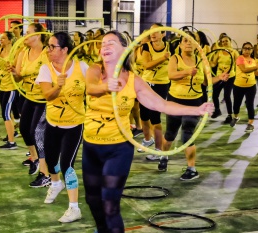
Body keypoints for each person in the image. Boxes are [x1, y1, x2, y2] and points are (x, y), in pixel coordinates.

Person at [83, 30, 216, 233]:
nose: (105, 46)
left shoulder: (134, 80)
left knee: (110, 204)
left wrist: (196, 109)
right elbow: (90, 88)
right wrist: (105, 86)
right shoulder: (94, 70)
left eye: (111, 42)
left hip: (118, 148)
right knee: (92, 200)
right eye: (103, 43)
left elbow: (161, 105)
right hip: (91, 146)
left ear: (125, 49)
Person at [161, 31, 229, 178]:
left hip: (195, 102)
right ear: (180, 44)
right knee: (170, 135)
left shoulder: (200, 60)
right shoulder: (175, 58)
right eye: (185, 40)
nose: (189, 43)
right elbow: (171, 75)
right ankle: (164, 156)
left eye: (192, 40)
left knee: (188, 135)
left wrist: (220, 78)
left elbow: (206, 81)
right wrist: (186, 72)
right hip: (175, 101)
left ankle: (192, 169)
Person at [36, 31, 88, 223]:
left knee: (67, 165)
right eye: (48, 46)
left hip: (74, 124)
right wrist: (58, 86)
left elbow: (94, 87)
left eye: (52, 46)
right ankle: (56, 184)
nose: (48, 50)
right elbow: (48, 96)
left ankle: (74, 208)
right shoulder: (45, 69)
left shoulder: (82, 67)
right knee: (51, 160)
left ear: (65, 49)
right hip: (53, 121)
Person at [12, 23, 51, 185]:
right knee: (24, 129)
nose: (24, 36)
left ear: (38, 35)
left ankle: (46, 173)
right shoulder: (24, 52)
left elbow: (54, 73)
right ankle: (34, 158)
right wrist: (14, 73)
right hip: (29, 96)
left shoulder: (46, 53)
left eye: (28, 33)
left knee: (38, 133)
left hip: (43, 98)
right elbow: (19, 77)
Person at [137, 23, 170, 161]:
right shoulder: (146, 46)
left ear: (163, 34)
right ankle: (147, 139)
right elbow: (147, 65)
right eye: (151, 31)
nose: (153, 34)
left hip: (161, 85)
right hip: (146, 83)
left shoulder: (170, 47)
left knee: (155, 117)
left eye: (156, 31)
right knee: (144, 115)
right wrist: (163, 58)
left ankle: (158, 150)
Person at [210, 35, 239, 123]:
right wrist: (206, 59)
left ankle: (230, 115)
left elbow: (238, 64)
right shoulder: (219, 52)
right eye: (223, 41)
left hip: (230, 77)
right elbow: (214, 64)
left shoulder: (234, 52)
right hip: (219, 76)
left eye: (226, 41)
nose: (224, 42)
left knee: (227, 96)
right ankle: (217, 110)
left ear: (230, 41)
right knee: (214, 94)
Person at [230, 42, 258, 132]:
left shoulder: (254, 60)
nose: (247, 50)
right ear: (242, 49)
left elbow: (255, 73)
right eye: (245, 48)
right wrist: (256, 67)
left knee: (250, 105)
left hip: (251, 86)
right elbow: (244, 70)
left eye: (249, 48)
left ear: (252, 50)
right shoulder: (239, 58)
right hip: (238, 86)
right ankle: (236, 117)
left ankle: (250, 124)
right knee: (236, 104)